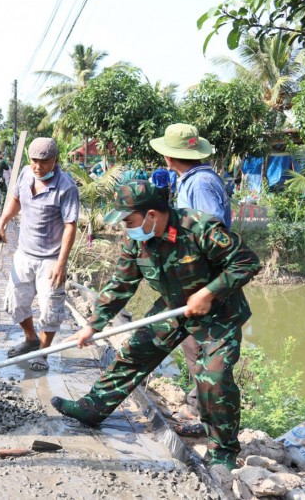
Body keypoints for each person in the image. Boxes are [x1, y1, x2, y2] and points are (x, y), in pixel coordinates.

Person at [52, 181, 260, 469]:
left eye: (129, 221)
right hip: (174, 306)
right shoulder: (136, 239)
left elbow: (246, 262)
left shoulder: (198, 227)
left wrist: (208, 293)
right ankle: (93, 408)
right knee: (135, 352)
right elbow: (121, 284)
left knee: (213, 378)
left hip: (219, 311)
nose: (126, 228)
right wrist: (92, 326)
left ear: (151, 214)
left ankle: (222, 451)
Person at [150, 123, 232, 417]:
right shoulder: (189, 180)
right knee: (191, 342)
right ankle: (198, 405)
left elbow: (212, 231)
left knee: (201, 344)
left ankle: (201, 412)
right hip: (192, 276)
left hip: (203, 277)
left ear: (169, 156)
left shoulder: (200, 184)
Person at [0, 137, 79, 372]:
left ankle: (42, 352)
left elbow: (70, 226)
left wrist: (61, 263)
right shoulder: (25, 174)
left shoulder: (66, 187)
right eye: (34, 161)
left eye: (44, 161)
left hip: (51, 258)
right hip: (25, 253)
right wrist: (2, 223)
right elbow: (16, 200)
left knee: (50, 309)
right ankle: (31, 339)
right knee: (15, 302)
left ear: (55, 160)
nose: (38, 166)